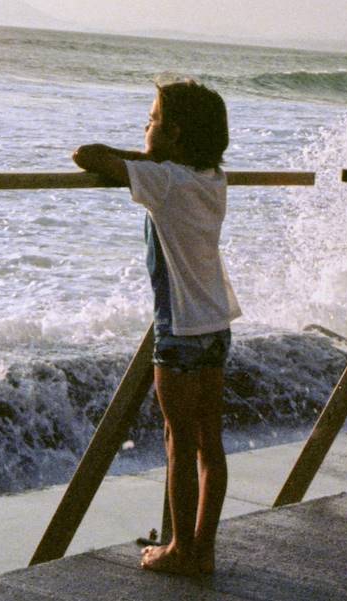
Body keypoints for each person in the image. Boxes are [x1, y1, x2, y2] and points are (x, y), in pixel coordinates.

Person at [72, 79, 240, 573]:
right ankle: (202, 548)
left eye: (152, 121)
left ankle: (180, 549)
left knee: (178, 440)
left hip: (180, 328)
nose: (144, 126)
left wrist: (142, 158)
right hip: (216, 323)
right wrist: (151, 153)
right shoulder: (210, 176)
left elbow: (87, 154)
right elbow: (154, 163)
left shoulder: (164, 182)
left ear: (176, 134)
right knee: (210, 441)